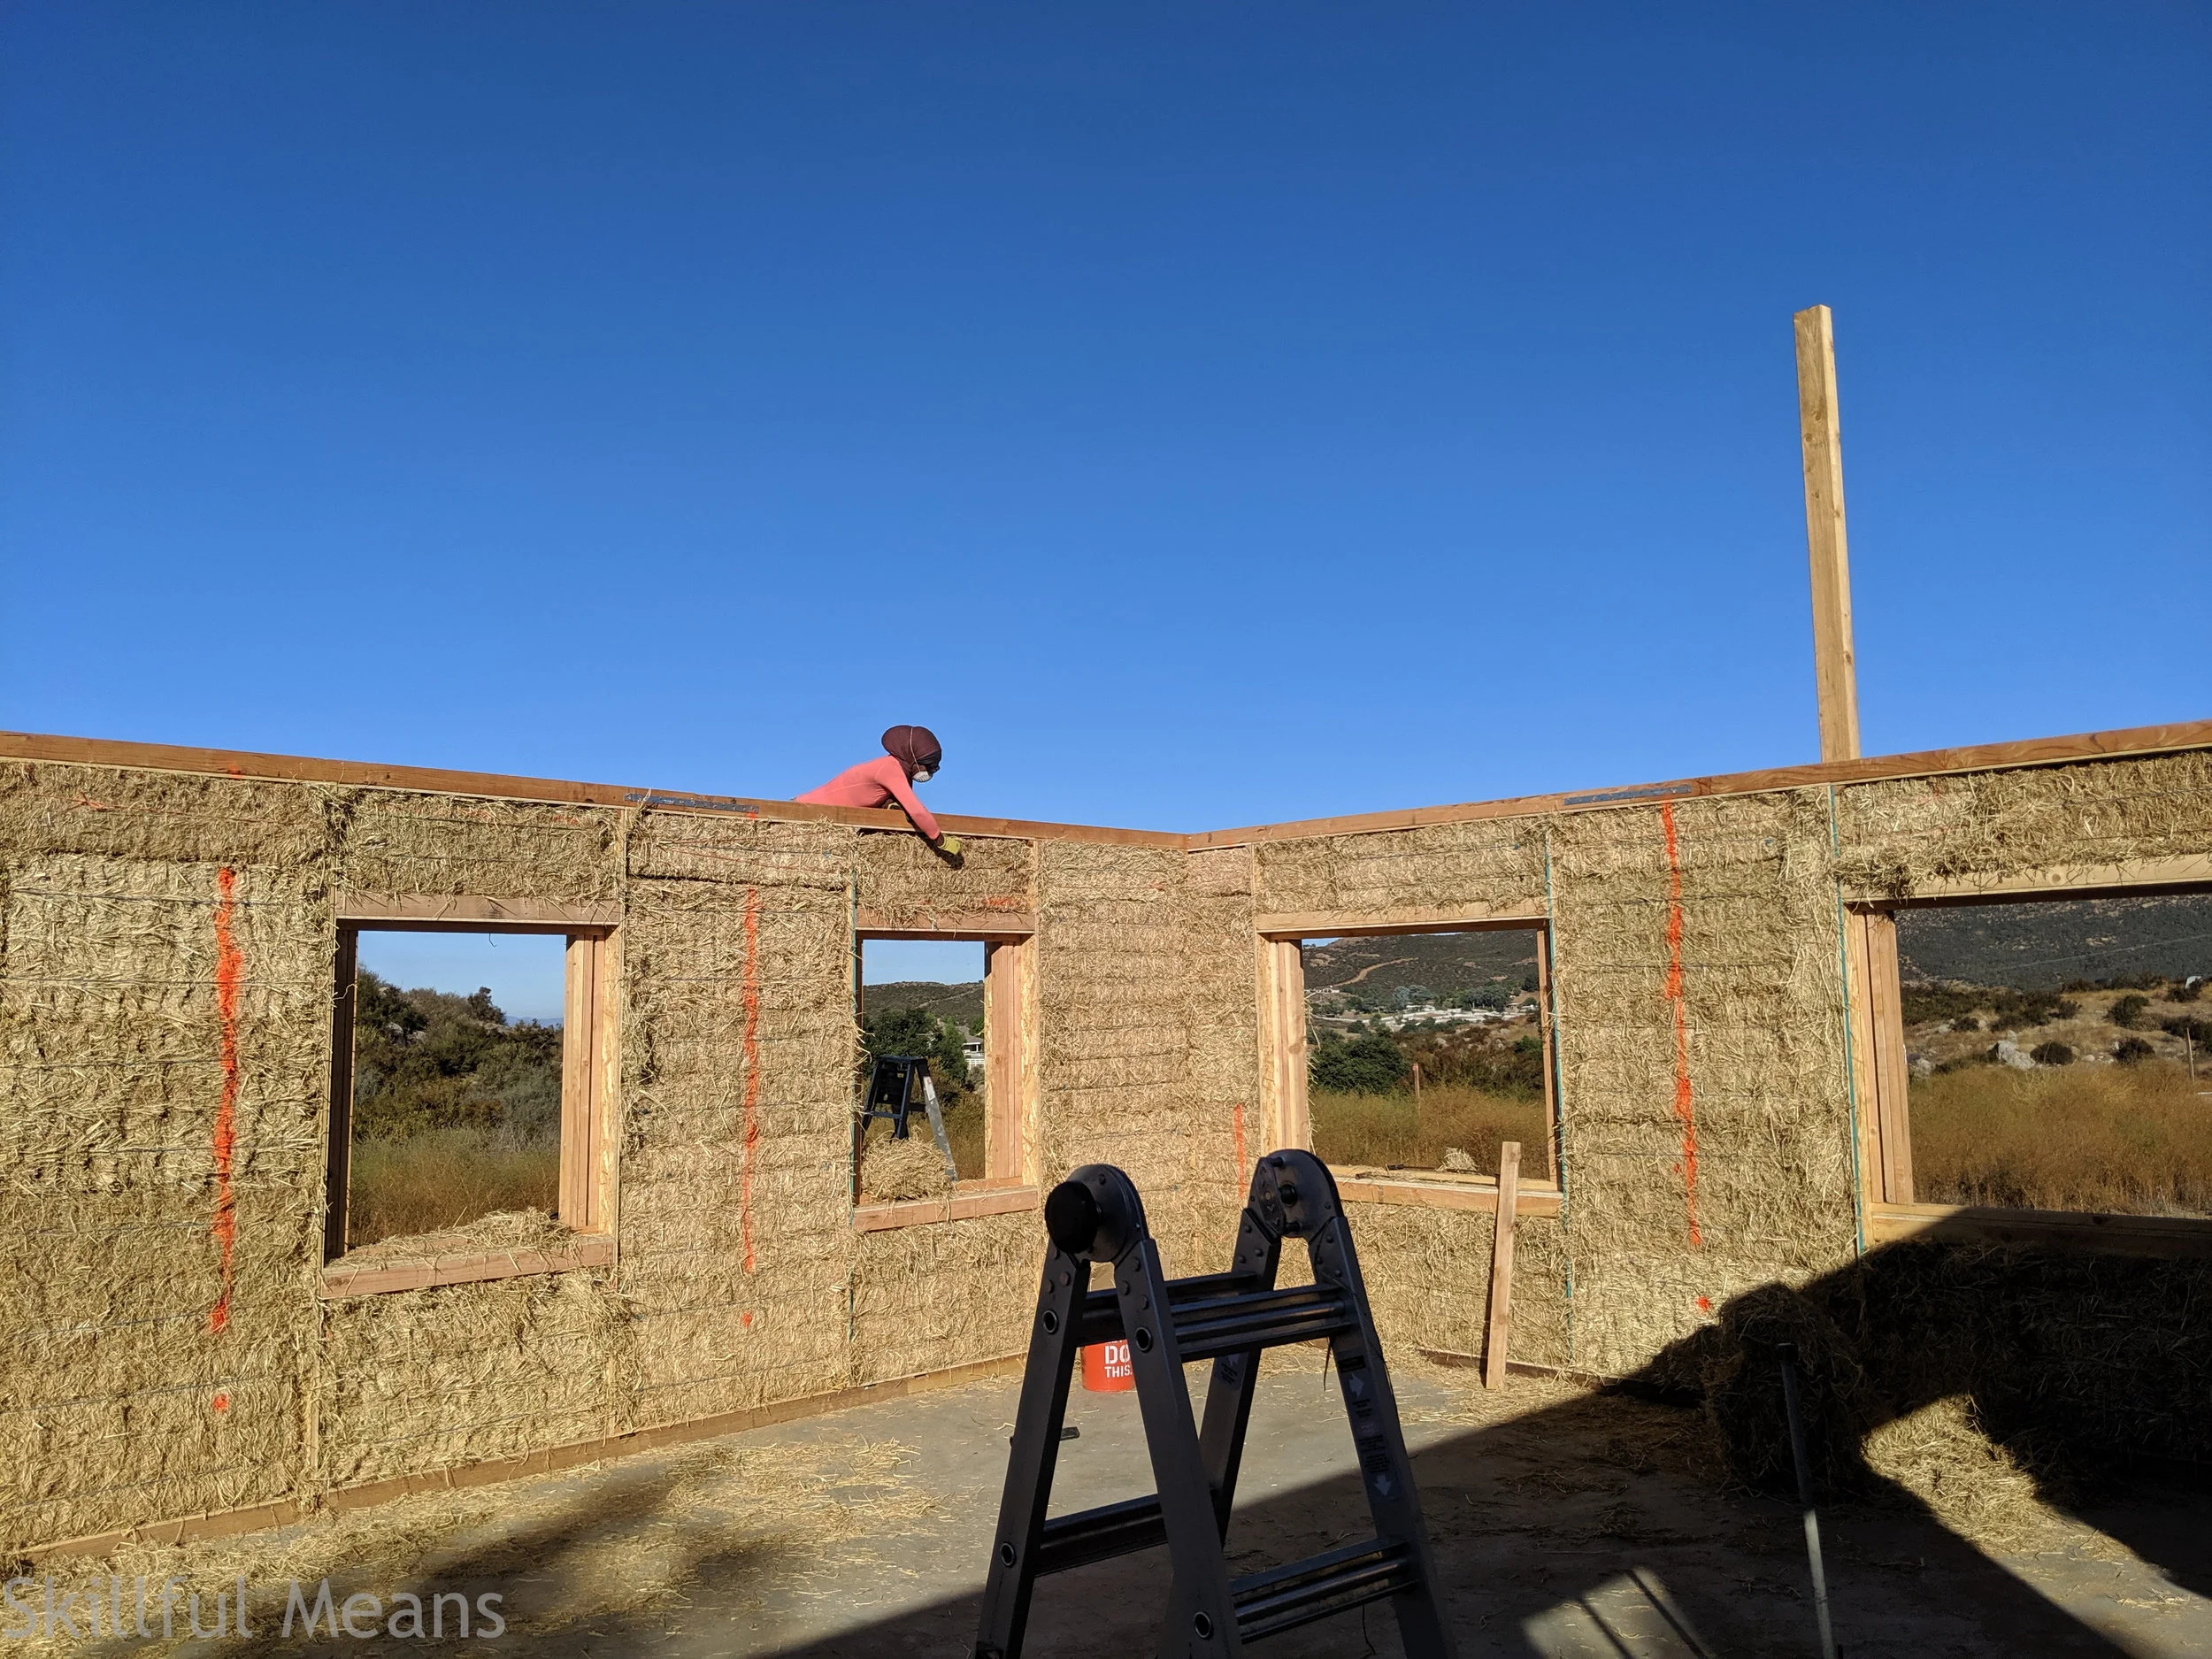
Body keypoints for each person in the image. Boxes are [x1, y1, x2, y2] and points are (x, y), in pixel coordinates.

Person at [796, 725, 962, 852]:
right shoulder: (890, 769)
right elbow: (917, 811)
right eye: (928, 766)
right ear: (912, 758)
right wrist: (940, 840)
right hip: (808, 810)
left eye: (934, 767)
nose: (930, 772)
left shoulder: (899, 770)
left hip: (831, 816)